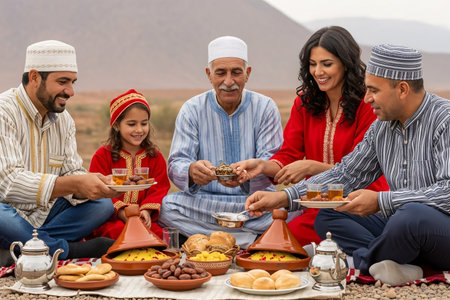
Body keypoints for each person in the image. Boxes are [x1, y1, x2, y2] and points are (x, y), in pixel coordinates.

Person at [245, 44, 450, 285]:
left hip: (435, 229)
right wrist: (284, 198)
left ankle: (361, 262)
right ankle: (396, 265)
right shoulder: (381, 128)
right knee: (331, 211)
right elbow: (347, 174)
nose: (367, 98)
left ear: (402, 89)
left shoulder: (444, 121)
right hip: (398, 225)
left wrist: (381, 201)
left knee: (411, 216)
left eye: (374, 90)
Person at [233, 26, 388, 246]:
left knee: (303, 240)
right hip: (314, 207)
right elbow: (289, 154)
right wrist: (262, 166)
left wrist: (312, 167)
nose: (318, 72)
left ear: (346, 63)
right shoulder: (305, 103)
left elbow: (363, 172)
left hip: (359, 205)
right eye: (312, 64)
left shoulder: (368, 105)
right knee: (275, 247)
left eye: (327, 64)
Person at [0, 40, 120, 267]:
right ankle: (67, 250)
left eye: (73, 82)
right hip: (6, 212)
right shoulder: (4, 112)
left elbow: (71, 171)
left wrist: (94, 183)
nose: (71, 91)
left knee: (102, 204)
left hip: (45, 217)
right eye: (63, 82)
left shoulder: (63, 120)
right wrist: (73, 183)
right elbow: (8, 183)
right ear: (35, 77)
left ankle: (23, 248)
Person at [158, 36, 283, 248]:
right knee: (167, 207)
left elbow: (274, 165)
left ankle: (210, 241)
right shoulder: (192, 109)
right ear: (209, 75)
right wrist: (191, 170)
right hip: (204, 204)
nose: (228, 81)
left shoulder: (265, 108)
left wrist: (247, 176)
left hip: (253, 204)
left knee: (291, 208)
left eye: (236, 72)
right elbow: (177, 162)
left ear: (247, 73)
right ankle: (248, 241)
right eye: (220, 73)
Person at [89, 89, 171, 239]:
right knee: (116, 232)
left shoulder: (154, 156)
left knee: (159, 234)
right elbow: (98, 190)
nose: (139, 130)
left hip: (145, 217)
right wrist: (122, 212)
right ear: (116, 125)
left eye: (144, 123)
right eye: (132, 124)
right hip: (113, 218)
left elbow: (159, 188)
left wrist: (146, 211)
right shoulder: (103, 155)